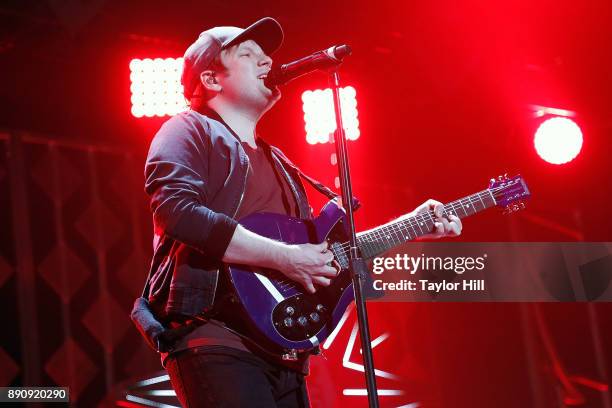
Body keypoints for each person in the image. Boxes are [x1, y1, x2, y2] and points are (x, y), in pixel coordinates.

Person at [142, 17, 462, 408]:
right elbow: (178, 212)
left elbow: (320, 257)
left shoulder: (282, 165)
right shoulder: (187, 130)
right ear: (211, 79)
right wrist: (285, 257)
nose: (266, 63)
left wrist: (412, 226)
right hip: (217, 340)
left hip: (285, 355)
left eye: (266, 56)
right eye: (248, 54)